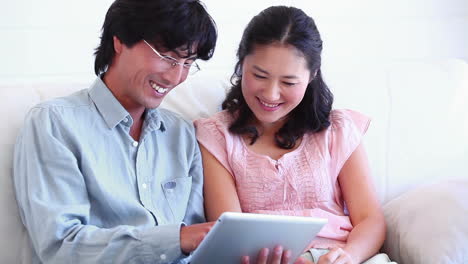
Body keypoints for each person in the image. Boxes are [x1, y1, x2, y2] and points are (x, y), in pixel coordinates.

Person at [13, 0, 217, 263]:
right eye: (168, 57)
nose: (175, 77)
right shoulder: (54, 124)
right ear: (120, 40)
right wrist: (175, 240)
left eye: (188, 63)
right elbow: (61, 247)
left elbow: (196, 246)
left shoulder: (180, 134)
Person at [195, 6, 396, 264]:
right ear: (241, 63)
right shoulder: (216, 136)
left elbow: (370, 219)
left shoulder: (337, 130)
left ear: (312, 76)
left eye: (288, 83)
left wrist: (348, 256)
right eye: (259, 75)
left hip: (336, 256)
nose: (270, 94)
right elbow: (230, 232)